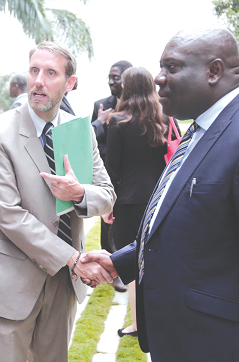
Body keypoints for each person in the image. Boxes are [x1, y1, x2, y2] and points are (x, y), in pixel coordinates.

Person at [82, 28, 239, 362]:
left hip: (218, 345)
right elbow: (182, 221)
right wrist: (120, 261)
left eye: (172, 67)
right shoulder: (199, 129)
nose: (158, 78)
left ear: (213, 71)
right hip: (180, 339)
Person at [0, 41, 116, 362]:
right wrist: (73, 259)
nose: (38, 80)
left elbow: (107, 196)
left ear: (69, 83)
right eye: (34, 70)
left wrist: (78, 194)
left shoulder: (80, 131)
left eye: (50, 72)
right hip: (12, 285)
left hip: (62, 286)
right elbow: (9, 215)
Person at [104, 66, 174, 338]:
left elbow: (113, 169)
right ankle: (161, 319)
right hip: (160, 200)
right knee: (159, 259)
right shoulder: (165, 120)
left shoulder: (117, 121)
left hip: (128, 202)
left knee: (132, 263)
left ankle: (136, 323)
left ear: (126, 87)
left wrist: (107, 206)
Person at [90, 60, 132, 292]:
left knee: (126, 222)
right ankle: (110, 267)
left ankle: (124, 264)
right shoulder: (100, 105)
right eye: (109, 77)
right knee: (107, 221)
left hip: (130, 176)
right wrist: (102, 123)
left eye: (116, 77)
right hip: (106, 175)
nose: (111, 82)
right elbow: (90, 142)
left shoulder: (137, 106)